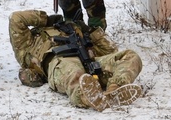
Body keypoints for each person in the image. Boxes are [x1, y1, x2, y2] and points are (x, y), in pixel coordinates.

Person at [8, 9, 144, 111]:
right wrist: (46, 20)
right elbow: (16, 18)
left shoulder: (74, 30)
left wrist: (91, 32)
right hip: (60, 61)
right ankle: (90, 98)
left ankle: (115, 89)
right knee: (74, 73)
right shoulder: (27, 43)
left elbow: (111, 50)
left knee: (130, 56)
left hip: (90, 62)